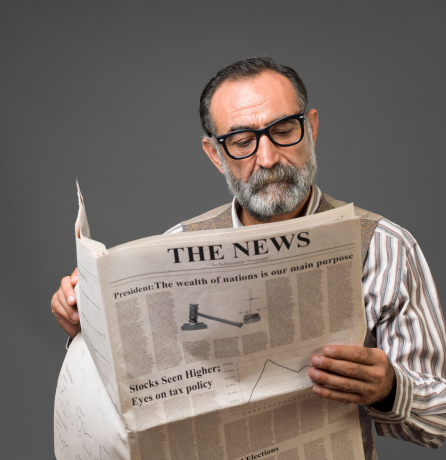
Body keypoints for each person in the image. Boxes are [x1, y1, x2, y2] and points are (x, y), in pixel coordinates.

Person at [51, 57, 446, 459]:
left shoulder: (385, 247)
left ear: (310, 128)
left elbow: (440, 422)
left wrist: (391, 390)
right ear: (215, 154)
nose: (269, 158)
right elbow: (133, 397)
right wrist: (84, 328)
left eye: (284, 131)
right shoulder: (173, 251)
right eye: (242, 142)